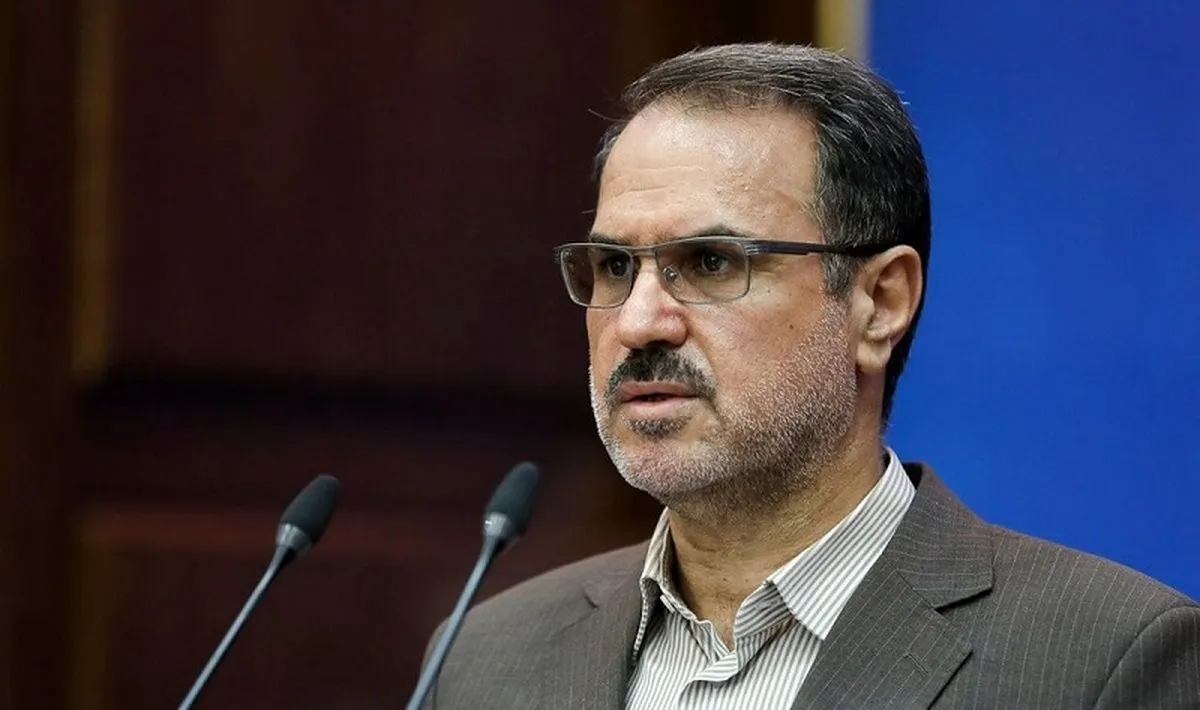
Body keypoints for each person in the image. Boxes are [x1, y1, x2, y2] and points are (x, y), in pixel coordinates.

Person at [421, 43, 1200, 709]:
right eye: (616, 266)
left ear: (879, 303)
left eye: (711, 261)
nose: (638, 322)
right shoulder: (485, 660)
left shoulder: (1103, 661)